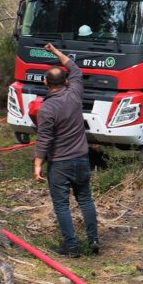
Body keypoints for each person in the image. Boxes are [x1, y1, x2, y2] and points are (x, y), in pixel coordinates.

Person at [34, 43, 99, 258]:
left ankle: (71, 247)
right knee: (86, 200)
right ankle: (93, 240)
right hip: (81, 158)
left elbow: (44, 138)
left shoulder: (47, 109)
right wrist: (56, 52)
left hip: (60, 163)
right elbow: (76, 69)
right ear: (66, 81)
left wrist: (37, 165)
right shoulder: (75, 93)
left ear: (45, 83)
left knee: (62, 206)